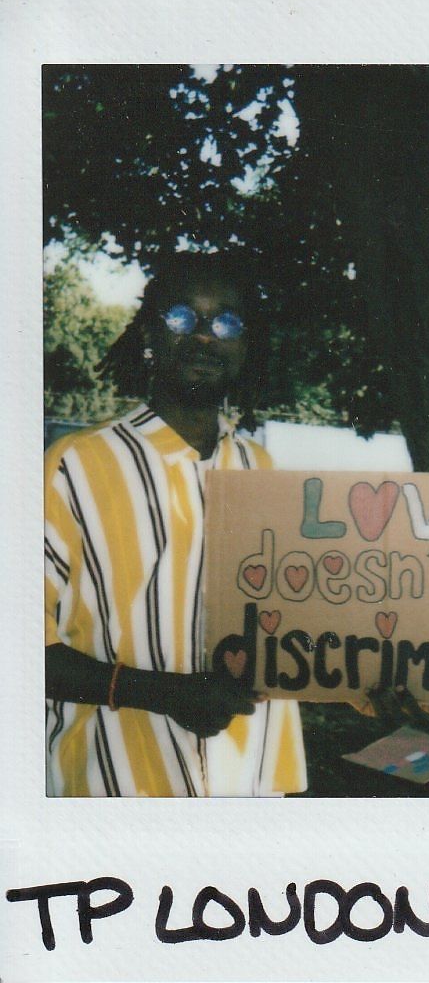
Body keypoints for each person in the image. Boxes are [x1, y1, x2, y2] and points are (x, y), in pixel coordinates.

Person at [45, 251, 307, 797]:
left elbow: (299, 627)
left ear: (245, 346)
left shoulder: (264, 471)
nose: (205, 336)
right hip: (116, 788)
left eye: (226, 322)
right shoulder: (75, 465)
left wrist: (372, 681)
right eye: (182, 317)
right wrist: (160, 693)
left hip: (249, 788)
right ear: (149, 334)